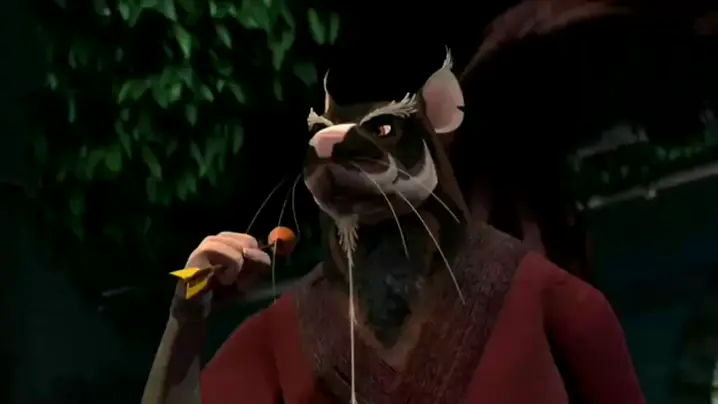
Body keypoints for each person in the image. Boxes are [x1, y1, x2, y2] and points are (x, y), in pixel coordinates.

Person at [142, 33, 645, 404]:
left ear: (440, 119)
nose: (332, 144)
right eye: (325, 129)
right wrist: (186, 319)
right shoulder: (284, 333)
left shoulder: (547, 299)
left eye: (380, 129)